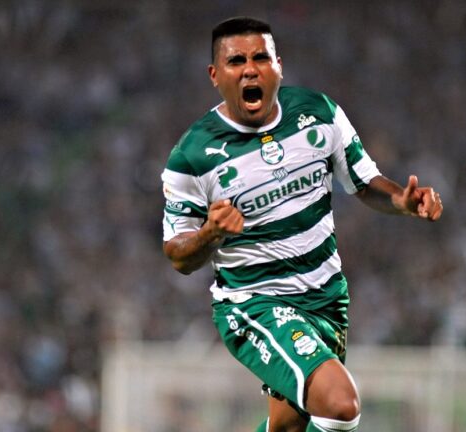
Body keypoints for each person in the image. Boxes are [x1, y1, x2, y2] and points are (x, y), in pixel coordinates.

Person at [161, 16, 443, 432]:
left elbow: (364, 182)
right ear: (215, 75)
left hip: (326, 296)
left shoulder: (319, 113)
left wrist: (401, 200)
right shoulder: (192, 156)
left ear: (279, 65)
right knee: (340, 404)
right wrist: (210, 233)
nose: (250, 69)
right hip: (255, 303)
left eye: (261, 57)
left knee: (290, 426)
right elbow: (178, 255)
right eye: (236, 61)